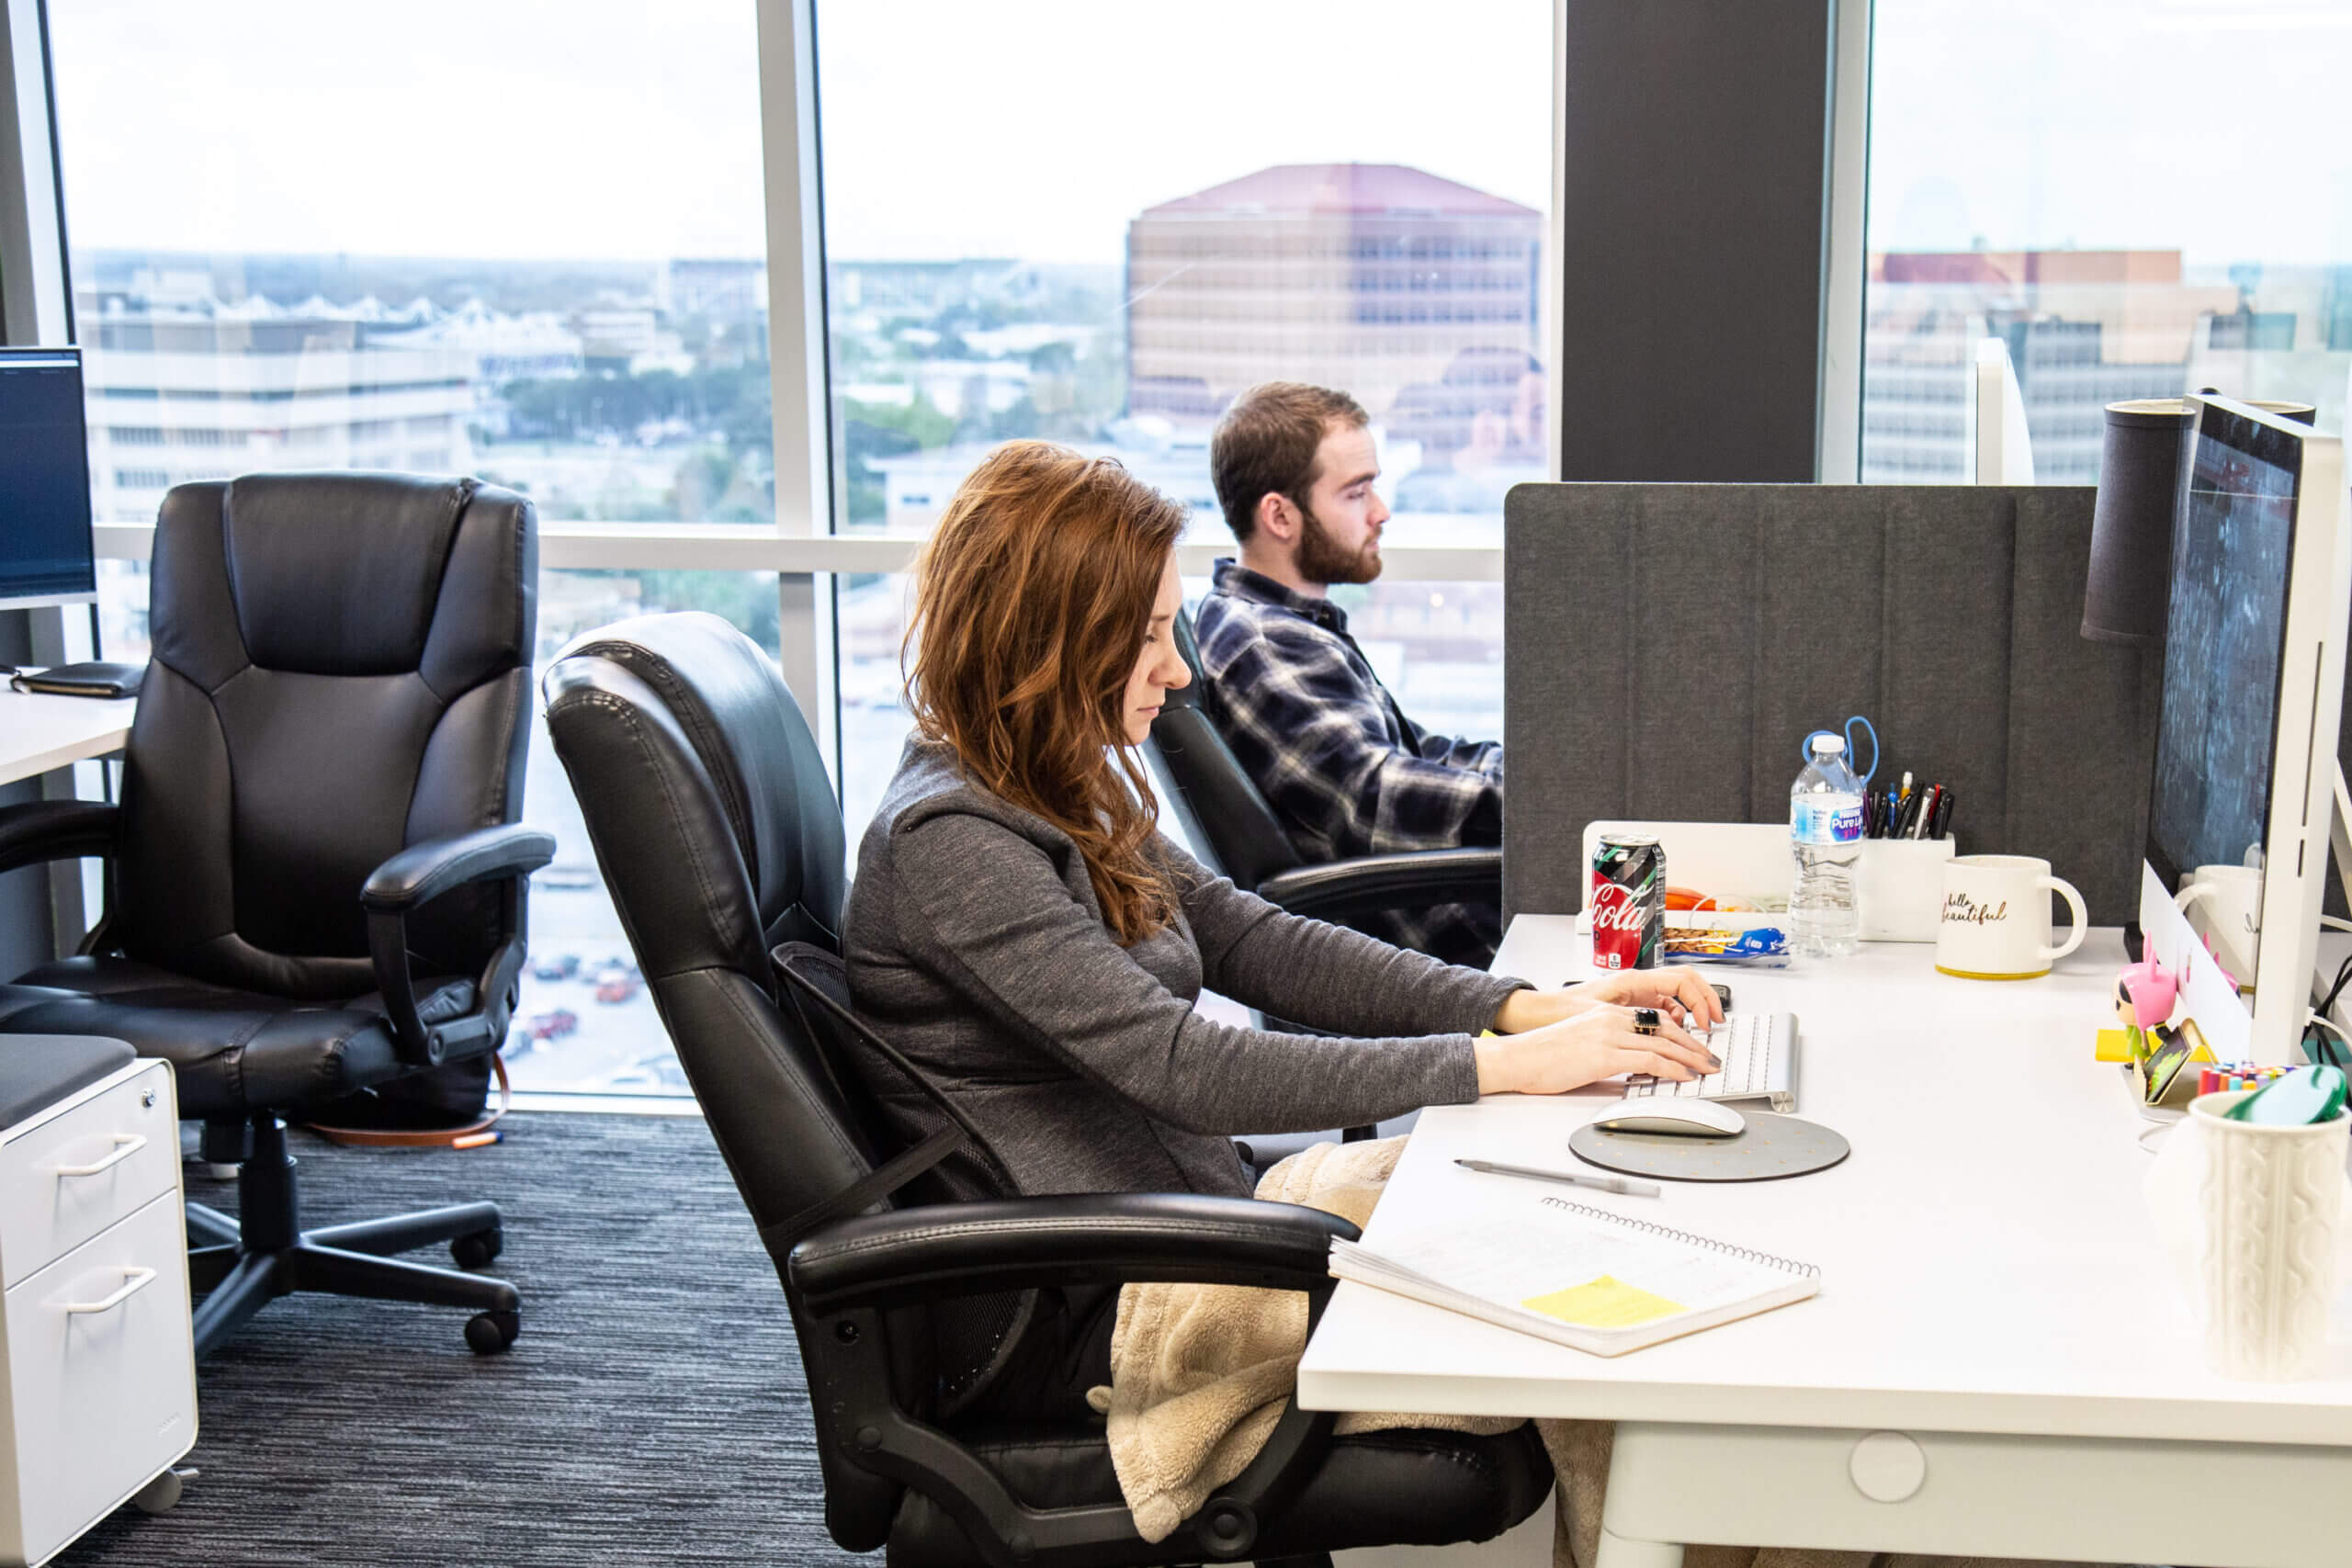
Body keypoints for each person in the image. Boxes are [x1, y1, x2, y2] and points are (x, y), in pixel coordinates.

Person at [842, 438, 1720, 1418]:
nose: (1176, 672)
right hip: (1116, 1294)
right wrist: (1499, 1066)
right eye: (1145, 639)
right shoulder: (953, 845)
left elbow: (1251, 938)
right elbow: (1189, 1069)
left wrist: (1522, 1008)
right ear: (1044, 640)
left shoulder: (1047, 778)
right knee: (1595, 1313)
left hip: (1200, 1218)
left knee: (1599, 1230)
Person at [1197, 380, 1506, 967]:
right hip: (1445, 964)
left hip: (1449, 933)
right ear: (1280, 516)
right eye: (1356, 492)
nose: (1380, 511)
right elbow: (1376, 798)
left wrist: (1529, 776)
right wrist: (1535, 810)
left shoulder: (1291, 625)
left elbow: (1413, 749)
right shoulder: (1264, 645)